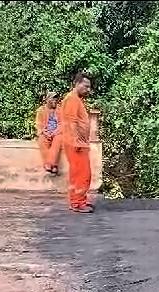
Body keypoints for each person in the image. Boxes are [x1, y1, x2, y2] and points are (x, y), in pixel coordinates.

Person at [59, 73, 93, 213]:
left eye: (89, 87)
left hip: (76, 142)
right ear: (77, 84)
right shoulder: (72, 99)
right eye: (86, 86)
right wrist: (77, 141)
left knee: (77, 173)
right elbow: (71, 122)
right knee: (83, 174)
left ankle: (77, 201)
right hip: (76, 143)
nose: (88, 90)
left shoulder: (75, 99)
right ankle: (78, 203)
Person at [36, 91, 62, 175]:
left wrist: (55, 132)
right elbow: (38, 124)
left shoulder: (60, 110)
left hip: (57, 133)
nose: (55, 100)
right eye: (53, 98)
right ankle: (52, 165)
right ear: (47, 100)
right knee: (41, 140)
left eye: (56, 98)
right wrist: (44, 132)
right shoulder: (41, 110)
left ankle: (51, 164)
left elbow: (63, 124)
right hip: (46, 132)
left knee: (57, 141)